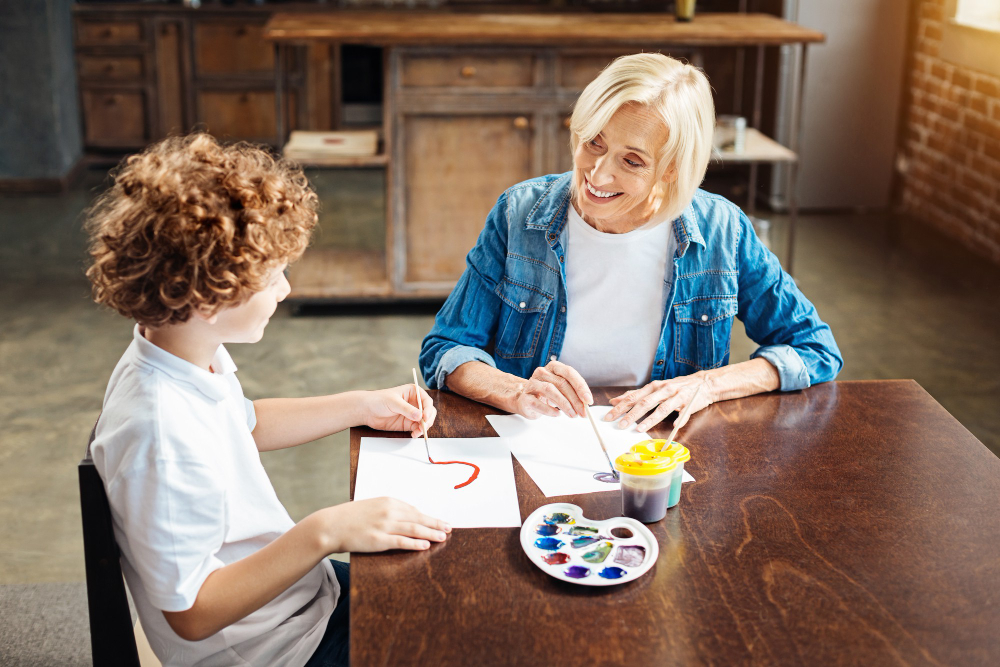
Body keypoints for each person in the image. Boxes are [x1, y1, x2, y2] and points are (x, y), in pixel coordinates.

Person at [86, 134, 450, 667]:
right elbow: (192, 614)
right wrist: (325, 531)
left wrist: (361, 405)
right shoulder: (158, 434)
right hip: (274, 649)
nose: (284, 290)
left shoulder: (178, 351)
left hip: (300, 599)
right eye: (273, 275)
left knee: (442, 598)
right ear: (210, 297)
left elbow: (245, 424)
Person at [420, 53, 842, 432]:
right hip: (535, 443)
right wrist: (513, 390)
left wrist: (707, 385)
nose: (597, 174)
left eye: (632, 160)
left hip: (660, 453)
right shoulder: (519, 213)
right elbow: (446, 348)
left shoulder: (722, 229)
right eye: (594, 143)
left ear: (672, 169)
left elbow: (814, 348)